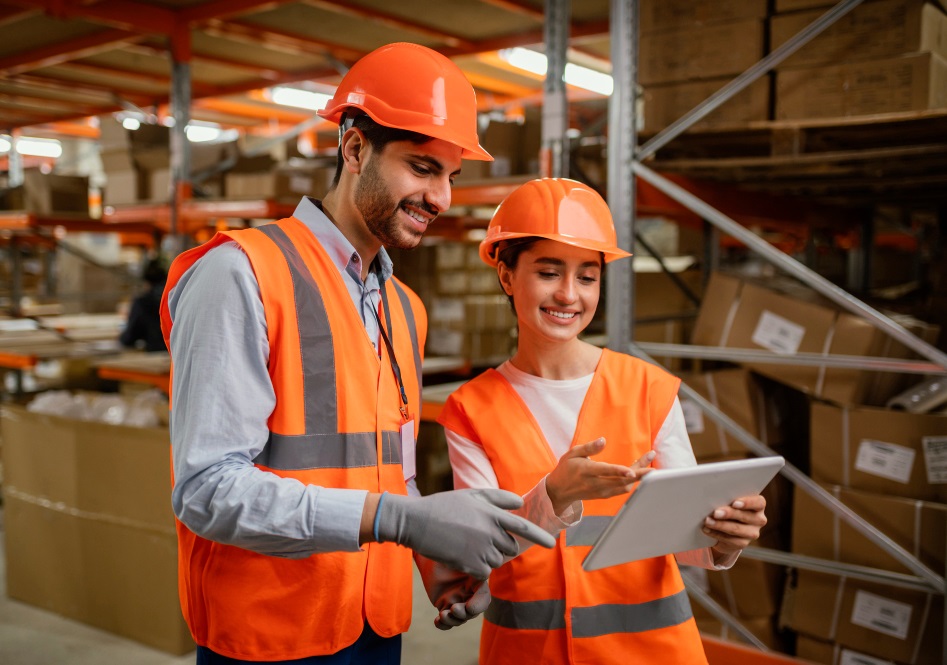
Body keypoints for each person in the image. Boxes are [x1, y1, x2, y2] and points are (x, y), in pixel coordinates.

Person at [158, 43, 554, 665]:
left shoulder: (403, 308)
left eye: (451, 177)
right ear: (354, 148)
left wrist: (427, 551)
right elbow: (207, 490)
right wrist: (404, 523)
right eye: (422, 168)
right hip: (271, 634)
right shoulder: (241, 274)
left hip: (375, 629)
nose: (442, 199)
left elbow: (382, 472)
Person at [436, 178, 769, 664]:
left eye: (587, 277)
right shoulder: (471, 410)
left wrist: (723, 540)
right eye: (549, 273)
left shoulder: (649, 389)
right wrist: (556, 494)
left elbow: (688, 542)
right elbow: (477, 553)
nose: (569, 295)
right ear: (506, 277)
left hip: (652, 653)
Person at [119, 257, 167, 352]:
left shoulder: (142, 303)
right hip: (175, 357)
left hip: (155, 356)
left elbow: (129, 337)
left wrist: (121, 338)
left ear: (146, 282)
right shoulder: (175, 298)